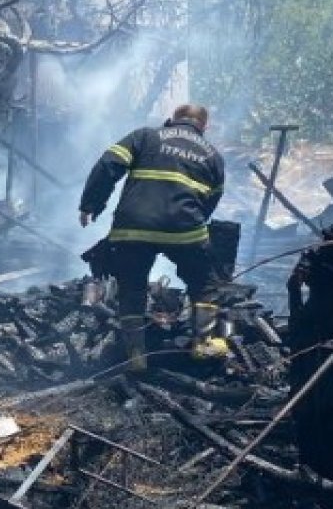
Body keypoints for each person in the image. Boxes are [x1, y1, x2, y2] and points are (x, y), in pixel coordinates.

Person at [78, 104, 226, 372]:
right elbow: (211, 201)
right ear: (204, 127)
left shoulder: (145, 136)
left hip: (132, 228)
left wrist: (91, 203)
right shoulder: (213, 155)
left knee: (131, 287)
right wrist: (188, 225)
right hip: (185, 230)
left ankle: (135, 353)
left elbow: (108, 165)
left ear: (170, 120)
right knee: (204, 282)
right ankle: (203, 343)